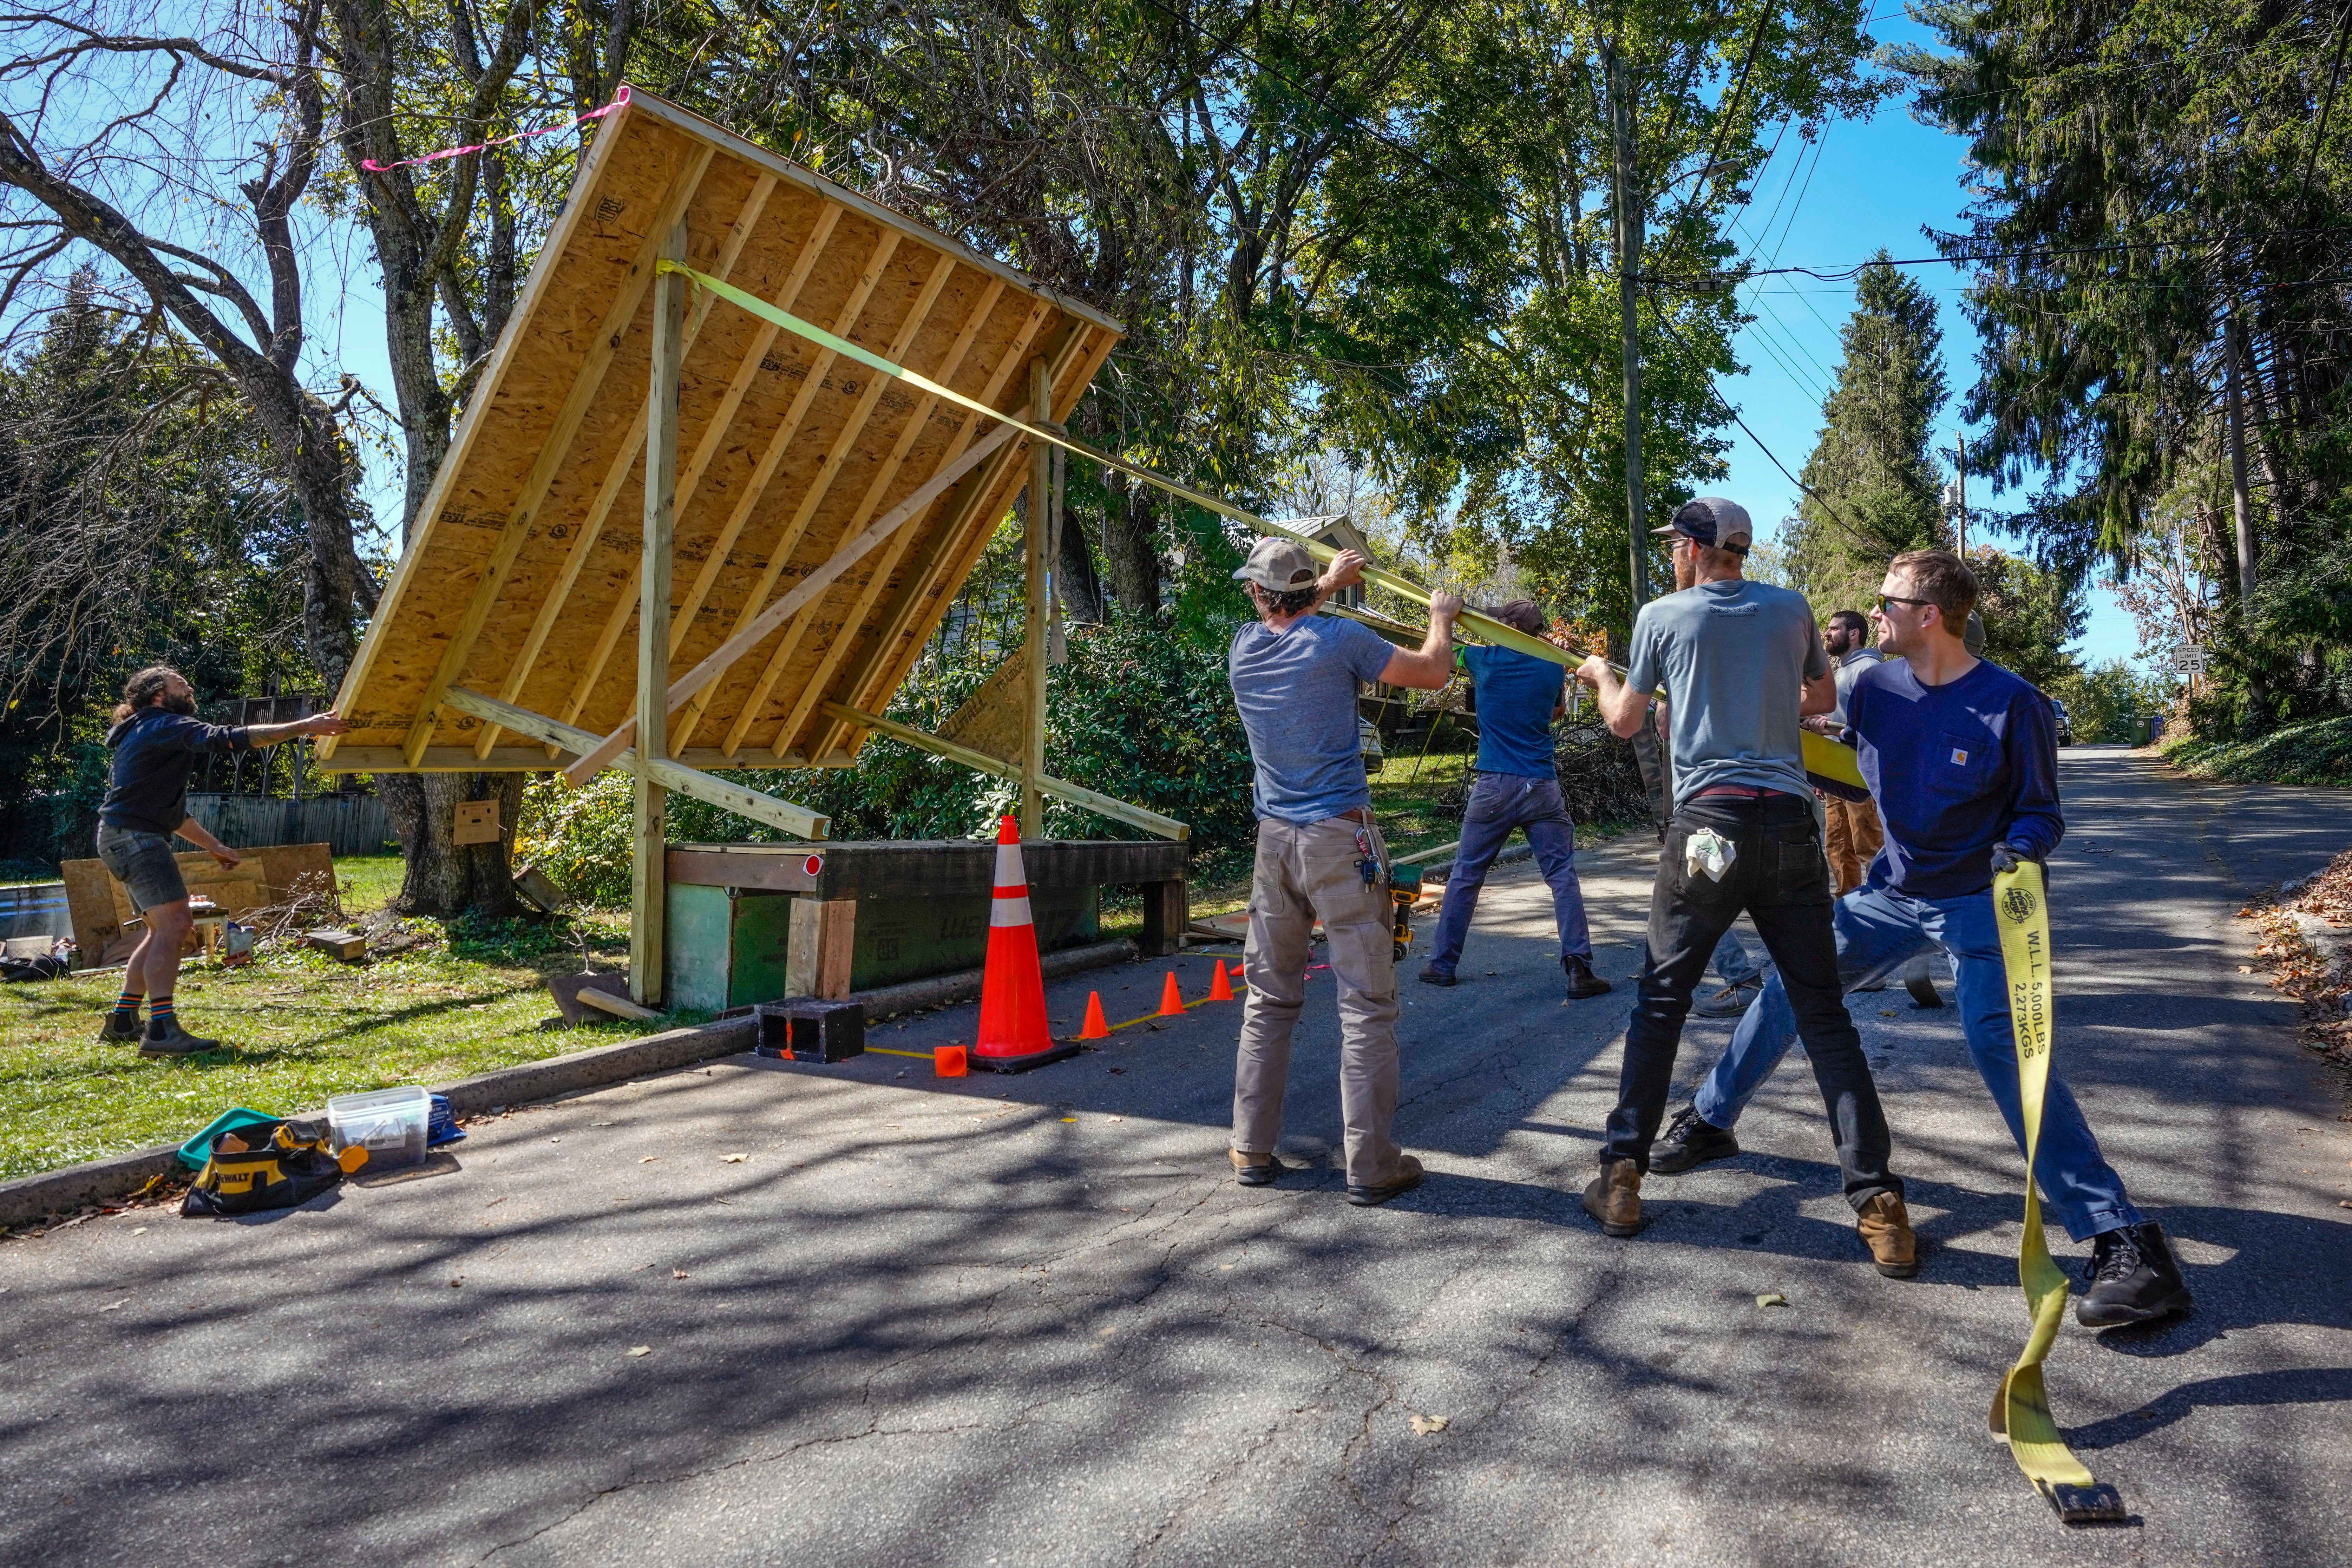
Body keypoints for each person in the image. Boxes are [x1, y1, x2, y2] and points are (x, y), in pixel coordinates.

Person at [1649, 550, 2192, 1326]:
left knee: (2006, 1050)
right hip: (1891, 895)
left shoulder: (2014, 704)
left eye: (1888, 601)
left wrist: (2021, 847)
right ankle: (1709, 1120)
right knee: (1790, 985)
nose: (1874, 612)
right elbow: (1847, 764)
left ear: (1929, 615)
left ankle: (2124, 1238)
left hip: (1980, 903)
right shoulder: (1873, 687)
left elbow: (2042, 812)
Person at [1573, 498, 1914, 1275]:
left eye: (1676, 546)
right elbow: (1820, 700)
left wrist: (1600, 675)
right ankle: (1880, 1207)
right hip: (1789, 826)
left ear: (1693, 550)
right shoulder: (1791, 610)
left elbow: (1625, 721)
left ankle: (1621, 1179)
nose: (1672, 555)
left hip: (1708, 832)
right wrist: (1752, 702)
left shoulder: (1662, 617)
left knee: (1662, 1001)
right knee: (1823, 1013)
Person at [1226, 539, 1460, 1205]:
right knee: (1365, 1004)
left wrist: (1323, 583)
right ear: (1310, 592)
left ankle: (1251, 1147)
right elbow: (1433, 672)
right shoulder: (1339, 641)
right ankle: (1371, 1164)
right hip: (1339, 840)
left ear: (1257, 594)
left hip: (1275, 846)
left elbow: (1289, 616)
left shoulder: (1244, 649)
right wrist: (1440, 617)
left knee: (1268, 1000)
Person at [94, 667, 349, 1055]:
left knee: (159, 929)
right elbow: (227, 739)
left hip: (122, 836)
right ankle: (161, 1031)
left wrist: (214, 846)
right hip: (136, 839)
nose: (190, 686)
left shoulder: (146, 731)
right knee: (175, 926)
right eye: (180, 682)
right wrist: (304, 726)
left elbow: (171, 813)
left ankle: (124, 1019)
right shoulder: (161, 724)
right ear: (158, 694)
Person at [1419, 598, 1611, 1001]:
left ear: (1510, 626)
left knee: (1466, 874)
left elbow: (1438, 655)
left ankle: (1442, 965)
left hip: (1495, 785)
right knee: (1562, 876)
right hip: (1541, 785)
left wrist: (1443, 617)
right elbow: (1556, 712)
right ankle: (1579, 969)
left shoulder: (1480, 659)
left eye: (1497, 622)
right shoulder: (1552, 664)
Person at [1808, 609, 1887, 895]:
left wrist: (1832, 730)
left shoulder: (1867, 669)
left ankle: (1885, 904)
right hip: (1837, 775)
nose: (1827, 633)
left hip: (1860, 776)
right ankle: (1847, 908)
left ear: (1854, 634)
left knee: (1870, 847)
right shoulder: (1840, 671)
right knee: (1838, 849)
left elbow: (1874, 725)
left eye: (1834, 628)